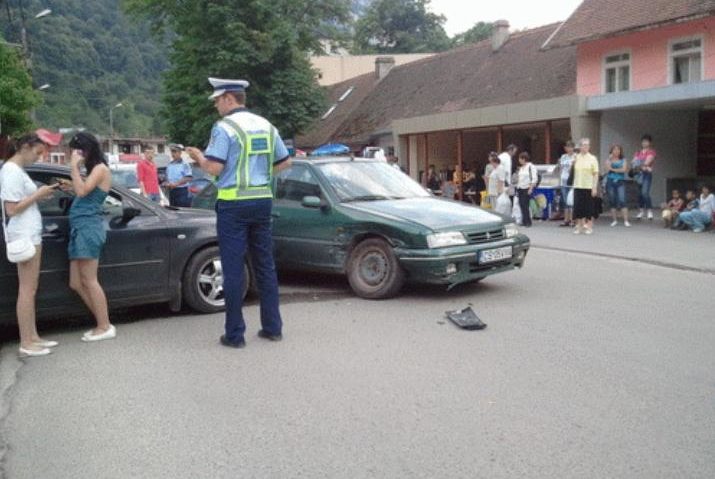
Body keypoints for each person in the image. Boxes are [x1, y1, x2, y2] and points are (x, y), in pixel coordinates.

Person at [186, 77, 292, 349]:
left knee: (232, 269)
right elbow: (285, 162)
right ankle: (273, 328)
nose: (216, 107)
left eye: (217, 101)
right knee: (265, 265)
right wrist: (260, 177)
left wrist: (198, 157)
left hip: (233, 204)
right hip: (262, 202)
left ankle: (234, 335)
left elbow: (214, 168)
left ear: (229, 99)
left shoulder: (225, 128)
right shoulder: (267, 126)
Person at [0, 134, 61, 357]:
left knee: (31, 289)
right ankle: (26, 342)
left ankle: (33, 336)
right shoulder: (11, 171)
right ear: (25, 147)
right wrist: (38, 194)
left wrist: (40, 195)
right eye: (37, 153)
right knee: (26, 290)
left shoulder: (15, 170)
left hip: (29, 233)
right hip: (23, 234)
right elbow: (11, 209)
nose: (37, 158)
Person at [66, 132, 116, 342]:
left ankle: (104, 326)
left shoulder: (100, 169)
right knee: (76, 282)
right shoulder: (94, 170)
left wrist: (73, 168)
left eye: (76, 152)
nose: (75, 156)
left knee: (90, 280)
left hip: (88, 228)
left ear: (84, 150)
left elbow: (83, 191)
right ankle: (102, 321)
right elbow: (81, 190)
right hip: (80, 228)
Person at [572, 138, 599, 235]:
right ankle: (579, 226)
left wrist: (594, 187)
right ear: (580, 147)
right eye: (583, 145)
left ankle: (589, 226)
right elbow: (573, 171)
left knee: (589, 207)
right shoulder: (576, 157)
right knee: (578, 207)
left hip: (588, 186)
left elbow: (595, 173)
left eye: (587, 145)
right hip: (578, 185)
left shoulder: (592, 158)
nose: (585, 147)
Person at [605, 144, 630, 227]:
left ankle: (626, 220)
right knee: (612, 200)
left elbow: (624, 170)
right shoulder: (609, 159)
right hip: (610, 181)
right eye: (614, 150)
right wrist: (615, 169)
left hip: (620, 181)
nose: (616, 151)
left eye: (618, 150)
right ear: (611, 151)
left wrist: (613, 169)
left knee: (622, 200)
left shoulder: (623, 159)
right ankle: (614, 220)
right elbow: (607, 168)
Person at [633, 134, 656, 220]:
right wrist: (643, 166)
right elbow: (633, 163)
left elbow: (647, 162)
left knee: (645, 193)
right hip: (639, 174)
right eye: (643, 141)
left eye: (646, 141)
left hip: (646, 175)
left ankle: (649, 210)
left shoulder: (651, 152)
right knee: (639, 194)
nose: (644, 143)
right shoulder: (638, 152)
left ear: (650, 143)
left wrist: (642, 165)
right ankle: (641, 211)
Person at [515, 152, 538, 227]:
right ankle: (524, 220)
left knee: (525, 205)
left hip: (527, 187)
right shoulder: (521, 168)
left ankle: (528, 221)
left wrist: (531, 188)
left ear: (524, 159)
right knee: (521, 204)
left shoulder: (531, 166)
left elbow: (534, 178)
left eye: (520, 159)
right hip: (520, 188)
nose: (519, 160)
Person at [557, 141, 575, 226]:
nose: (569, 149)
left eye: (571, 147)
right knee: (565, 200)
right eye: (567, 147)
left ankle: (572, 220)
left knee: (571, 200)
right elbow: (560, 168)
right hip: (563, 180)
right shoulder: (563, 157)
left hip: (572, 181)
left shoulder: (575, 157)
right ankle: (566, 219)